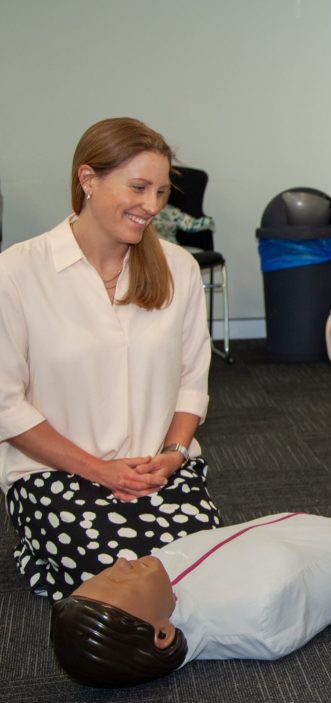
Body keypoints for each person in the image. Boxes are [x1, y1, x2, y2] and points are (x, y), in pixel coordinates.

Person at [0, 118, 218, 600]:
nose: (152, 207)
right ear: (87, 180)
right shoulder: (17, 273)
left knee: (202, 570)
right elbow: (6, 407)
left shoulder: (177, 268)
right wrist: (100, 471)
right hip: (55, 473)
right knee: (128, 585)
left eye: (161, 192)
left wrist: (173, 455)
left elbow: (191, 380)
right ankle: (43, 550)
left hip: (153, 468)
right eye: (138, 188)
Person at [50, 512, 331, 687]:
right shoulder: (258, 610)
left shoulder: (164, 581)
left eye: (106, 573)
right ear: (162, 634)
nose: (121, 562)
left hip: (301, 526)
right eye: (116, 580)